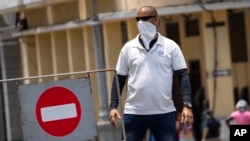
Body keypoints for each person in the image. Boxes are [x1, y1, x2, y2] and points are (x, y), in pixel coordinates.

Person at [109, 6, 193, 141]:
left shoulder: (170, 46)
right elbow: (119, 79)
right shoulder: (128, 48)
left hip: (164, 112)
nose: (141, 22)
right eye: (138, 19)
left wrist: (187, 105)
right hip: (134, 113)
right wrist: (113, 106)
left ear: (156, 21)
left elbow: (183, 76)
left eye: (145, 19)